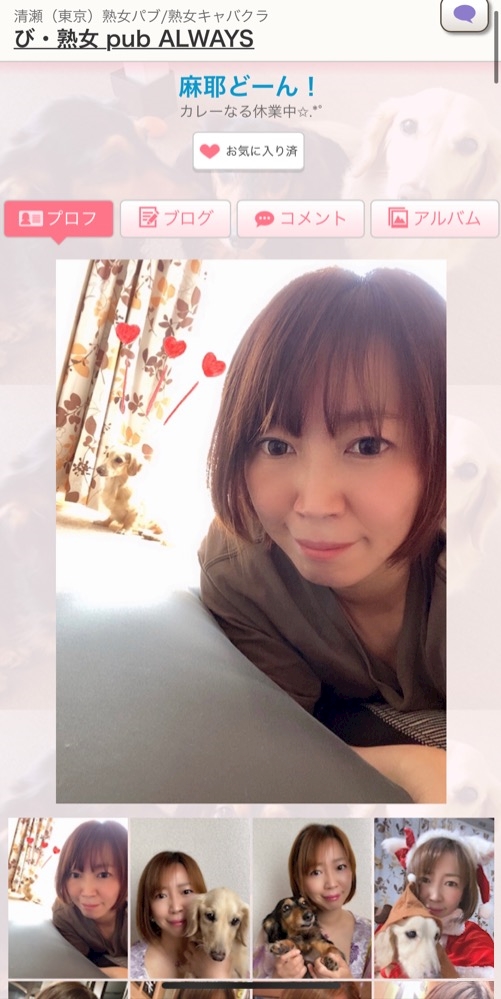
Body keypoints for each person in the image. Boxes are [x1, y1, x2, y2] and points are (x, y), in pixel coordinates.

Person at [199, 266, 446, 803]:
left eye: (367, 446)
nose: (313, 504)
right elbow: (278, 748)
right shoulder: (243, 571)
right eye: (276, 445)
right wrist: (414, 764)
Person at [254, 823, 371, 979]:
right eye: (316, 872)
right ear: (299, 878)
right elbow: (247, 989)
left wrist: (348, 985)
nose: (331, 883)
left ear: (352, 869)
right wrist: (277, 979)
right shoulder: (274, 929)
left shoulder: (371, 935)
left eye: (340, 867)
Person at [382, 827, 494, 978]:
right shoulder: (391, 928)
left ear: (464, 891)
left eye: (450, 883)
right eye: (426, 880)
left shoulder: (477, 944)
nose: (435, 896)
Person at [130, 850, 236, 979]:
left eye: (186, 892)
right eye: (161, 896)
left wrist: (216, 976)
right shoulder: (131, 966)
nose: (175, 907)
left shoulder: (228, 955)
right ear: (148, 908)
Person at [52, 820, 128, 977]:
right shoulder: (65, 914)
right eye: (75, 875)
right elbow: (77, 969)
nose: (87, 892)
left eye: (103, 875)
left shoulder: (136, 913)